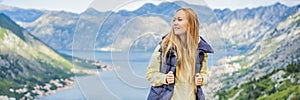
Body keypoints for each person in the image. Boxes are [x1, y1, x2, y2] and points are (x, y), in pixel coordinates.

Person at [146, 8, 214, 100]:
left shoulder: (201, 50)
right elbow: (150, 75)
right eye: (174, 20)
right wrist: (165, 78)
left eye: (180, 20)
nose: (175, 23)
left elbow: (204, 74)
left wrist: (201, 79)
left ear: (191, 24)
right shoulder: (164, 47)